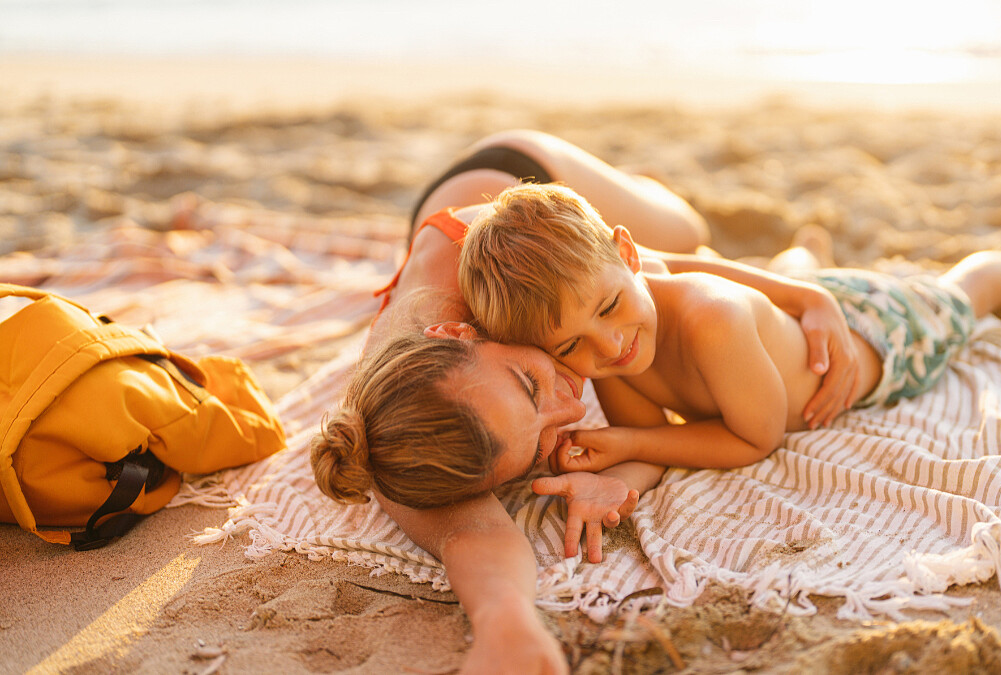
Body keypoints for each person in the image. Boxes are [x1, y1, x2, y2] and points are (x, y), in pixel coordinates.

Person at [310, 130, 861, 675]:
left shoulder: (479, 281)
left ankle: (665, 200)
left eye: (529, 383)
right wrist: (508, 623)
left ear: (459, 332)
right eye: (541, 444)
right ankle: (793, 261)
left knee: (689, 233)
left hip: (515, 181)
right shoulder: (411, 438)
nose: (572, 409)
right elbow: (470, 534)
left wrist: (803, 295)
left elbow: (661, 263)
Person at [456, 183, 1001, 483]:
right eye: (569, 346)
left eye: (606, 307)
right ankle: (801, 264)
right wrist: (613, 476)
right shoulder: (621, 335)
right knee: (780, 283)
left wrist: (624, 439)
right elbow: (663, 444)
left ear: (628, 255)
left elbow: (756, 436)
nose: (608, 348)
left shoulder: (711, 318)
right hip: (784, 315)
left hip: (878, 335)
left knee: (961, 294)